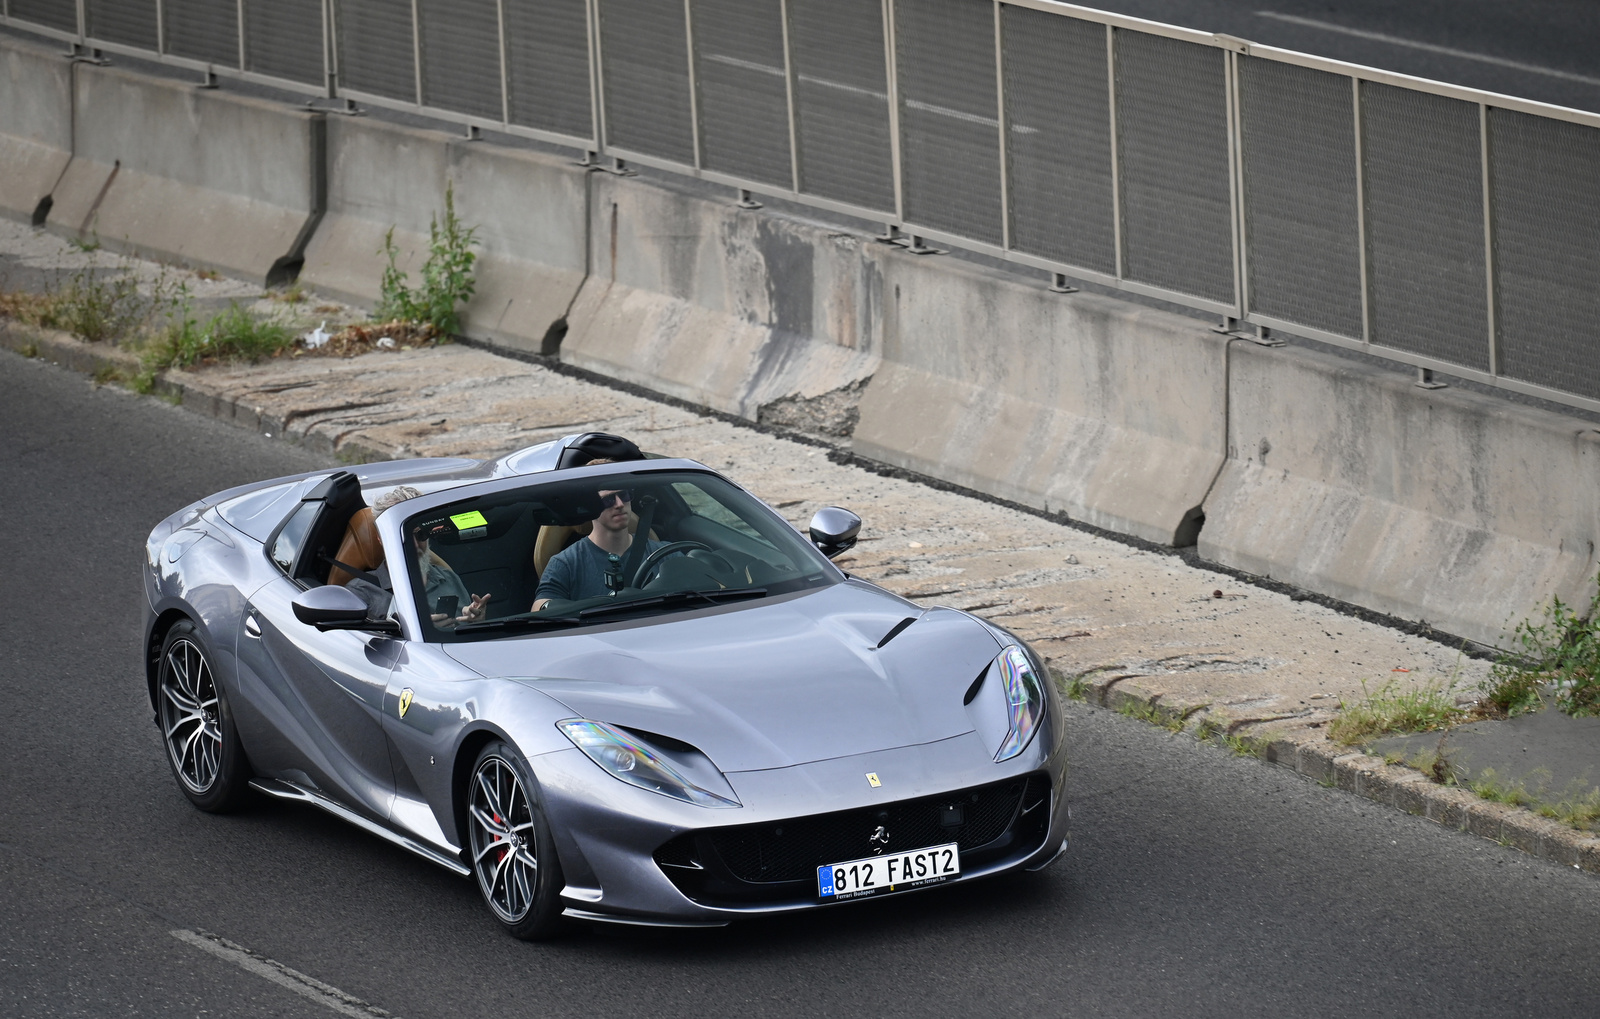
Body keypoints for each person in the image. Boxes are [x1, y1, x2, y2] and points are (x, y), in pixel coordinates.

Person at [531, 483, 660, 609]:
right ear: (589, 506)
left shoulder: (663, 553)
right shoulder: (565, 564)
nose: (620, 504)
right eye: (608, 500)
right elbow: (540, 610)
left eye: (624, 495)